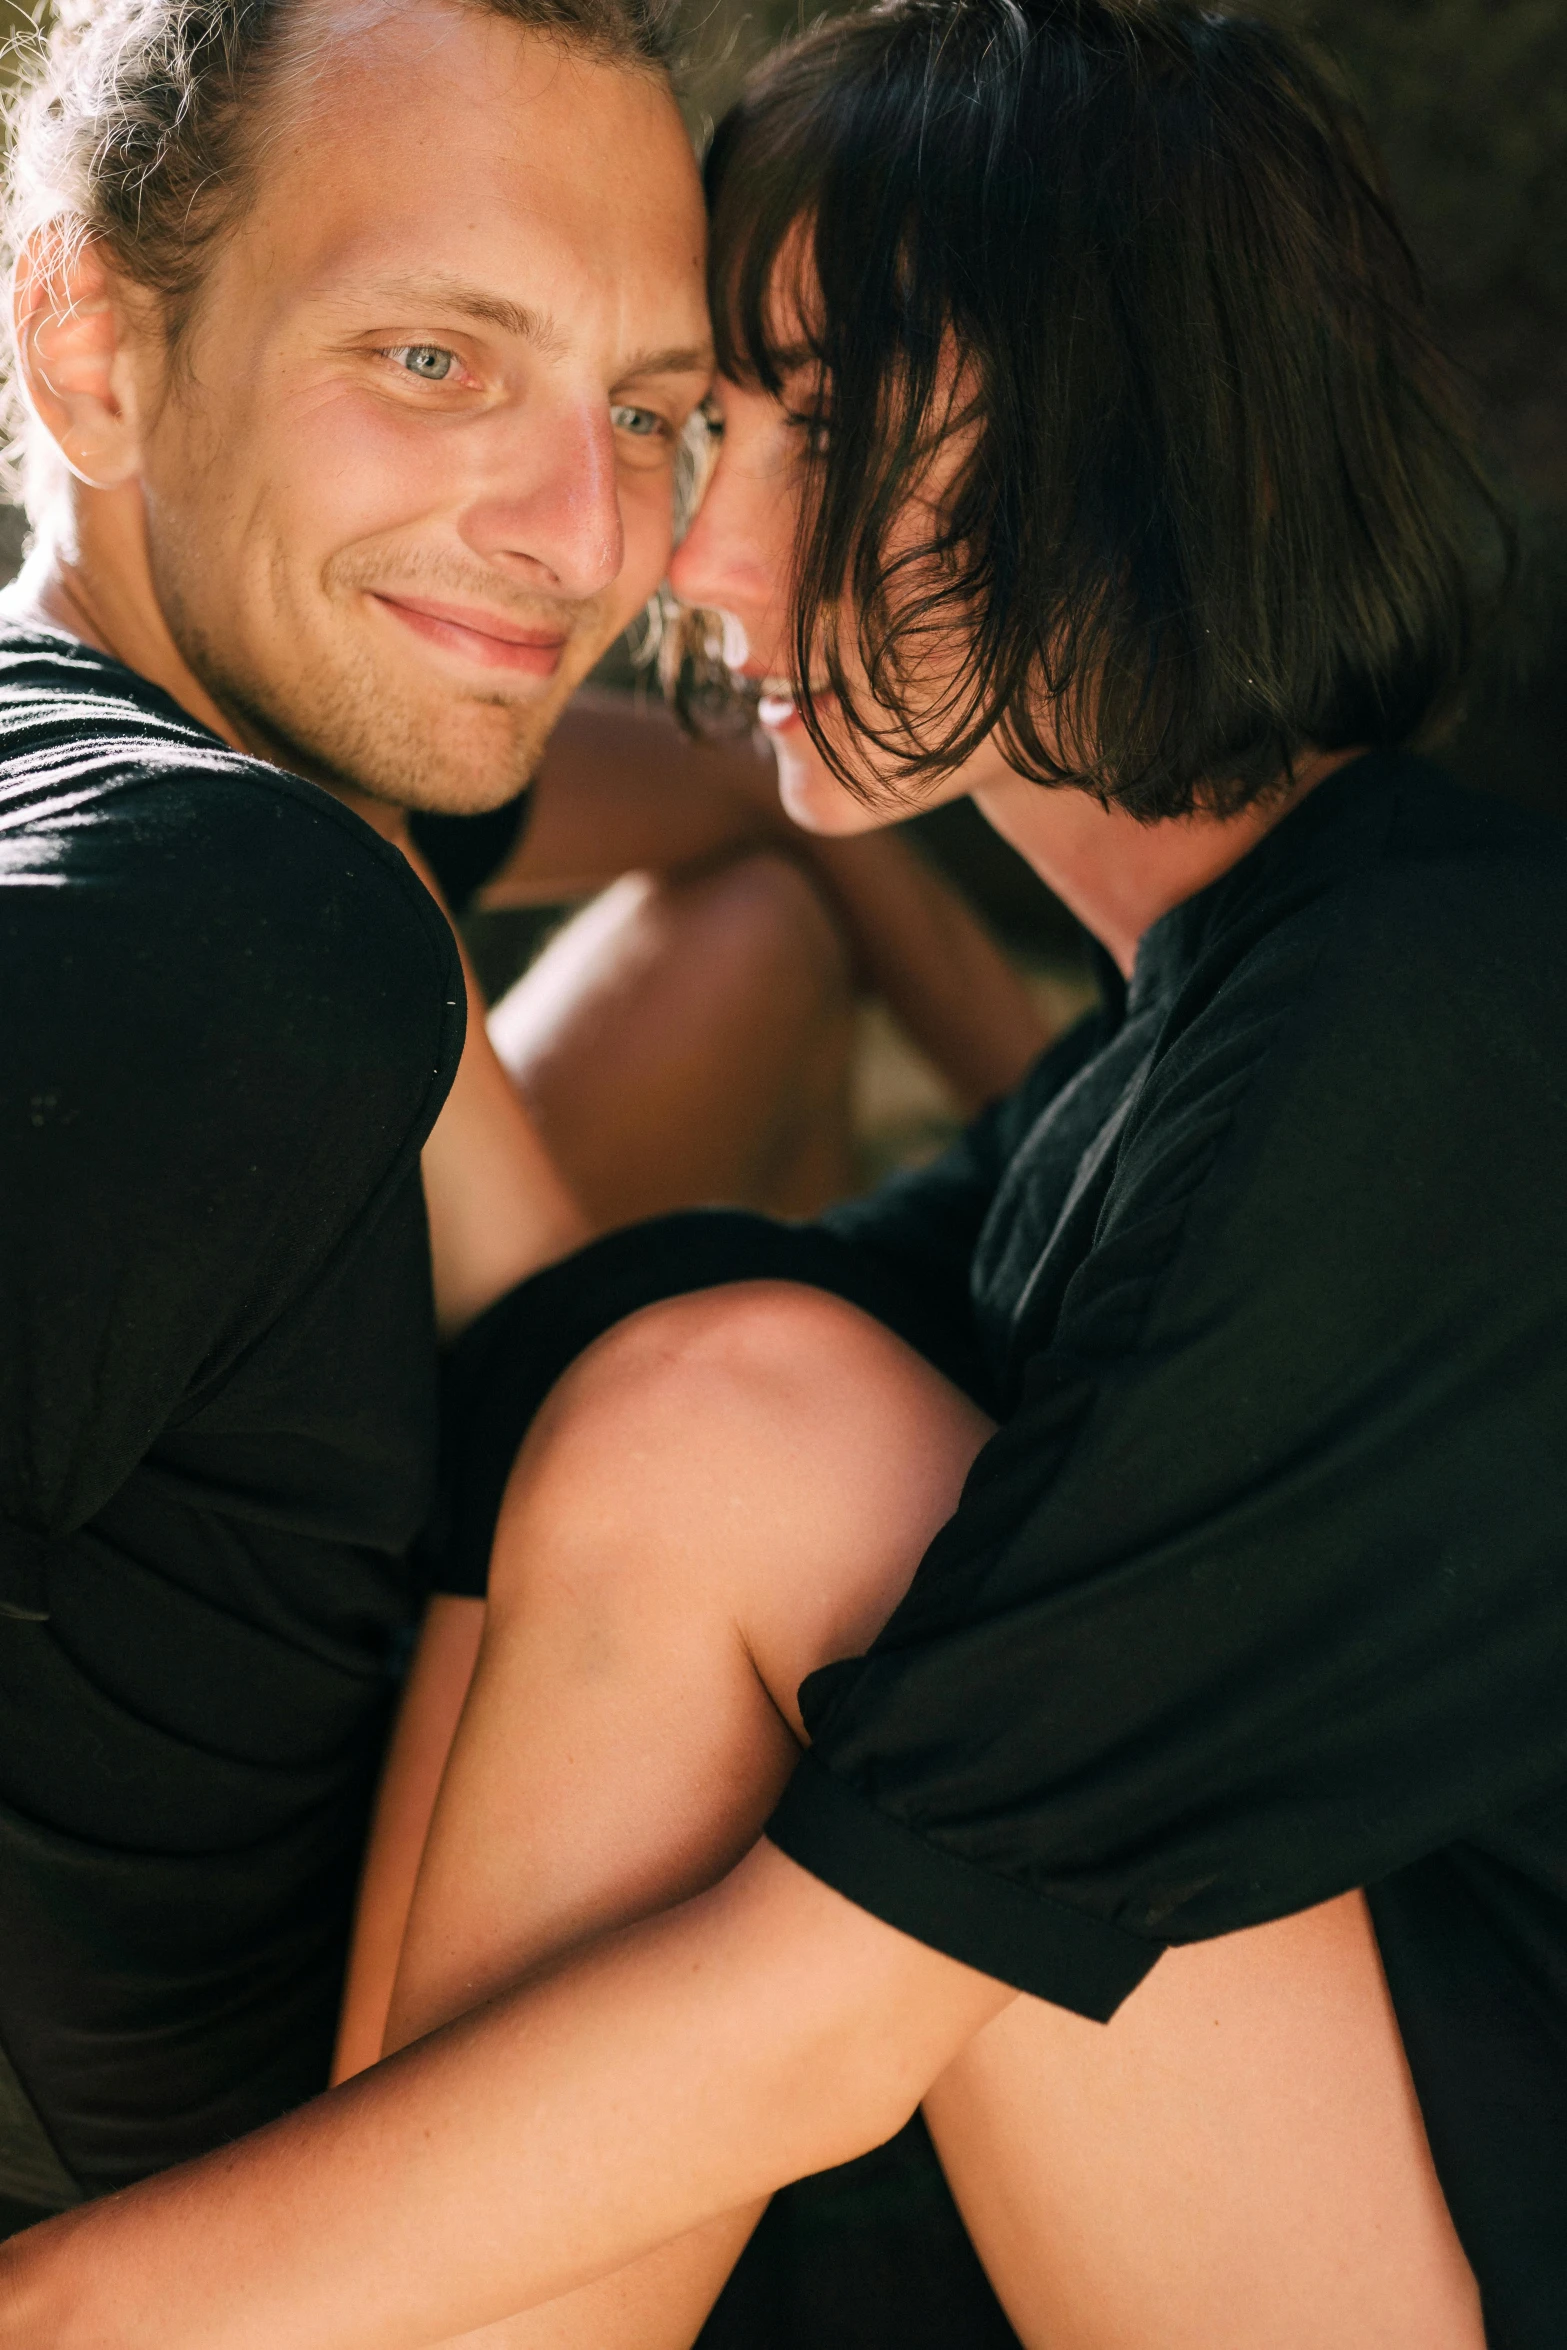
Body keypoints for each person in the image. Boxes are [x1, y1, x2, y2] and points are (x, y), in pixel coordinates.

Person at [6, 2, 1561, 2347]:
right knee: (705, 1396)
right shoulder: (1183, 1044)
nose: (671, 533)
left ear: (1125, 438)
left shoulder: (1427, 1022)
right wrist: (347, 916)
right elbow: (583, 1375)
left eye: (784, 426)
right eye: (699, 423)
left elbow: (841, 1969)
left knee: (741, 1427)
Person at [0, 0, 1041, 2243]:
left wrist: (1009, 1050)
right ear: (88, 340)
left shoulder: (237, 756)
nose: (594, 542)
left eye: (653, 411)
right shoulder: (216, 925)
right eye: (436, 362)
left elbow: (722, 788)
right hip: (371, 2216)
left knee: (753, 927)